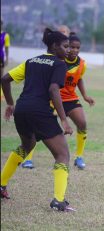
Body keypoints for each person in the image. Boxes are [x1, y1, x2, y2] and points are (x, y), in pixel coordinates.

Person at [0, 28, 76, 212]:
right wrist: (64, 120)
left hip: (22, 109)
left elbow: (4, 79)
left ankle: (1, 185)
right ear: (54, 46)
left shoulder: (31, 61)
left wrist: (10, 103)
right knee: (62, 155)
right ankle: (59, 201)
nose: (68, 50)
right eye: (65, 46)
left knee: (27, 145)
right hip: (40, 112)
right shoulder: (59, 64)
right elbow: (53, 90)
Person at [21, 32, 95, 170]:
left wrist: (85, 96)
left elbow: (79, 79)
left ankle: (79, 157)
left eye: (77, 48)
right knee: (39, 128)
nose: (74, 50)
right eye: (71, 47)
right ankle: (28, 159)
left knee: (82, 123)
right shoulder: (58, 61)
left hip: (71, 98)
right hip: (55, 98)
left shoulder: (82, 64)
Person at [1, 19, 11, 99]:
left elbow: (7, 48)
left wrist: (7, 58)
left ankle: (1, 95)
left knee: (1, 76)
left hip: (1, 57)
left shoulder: (5, 35)